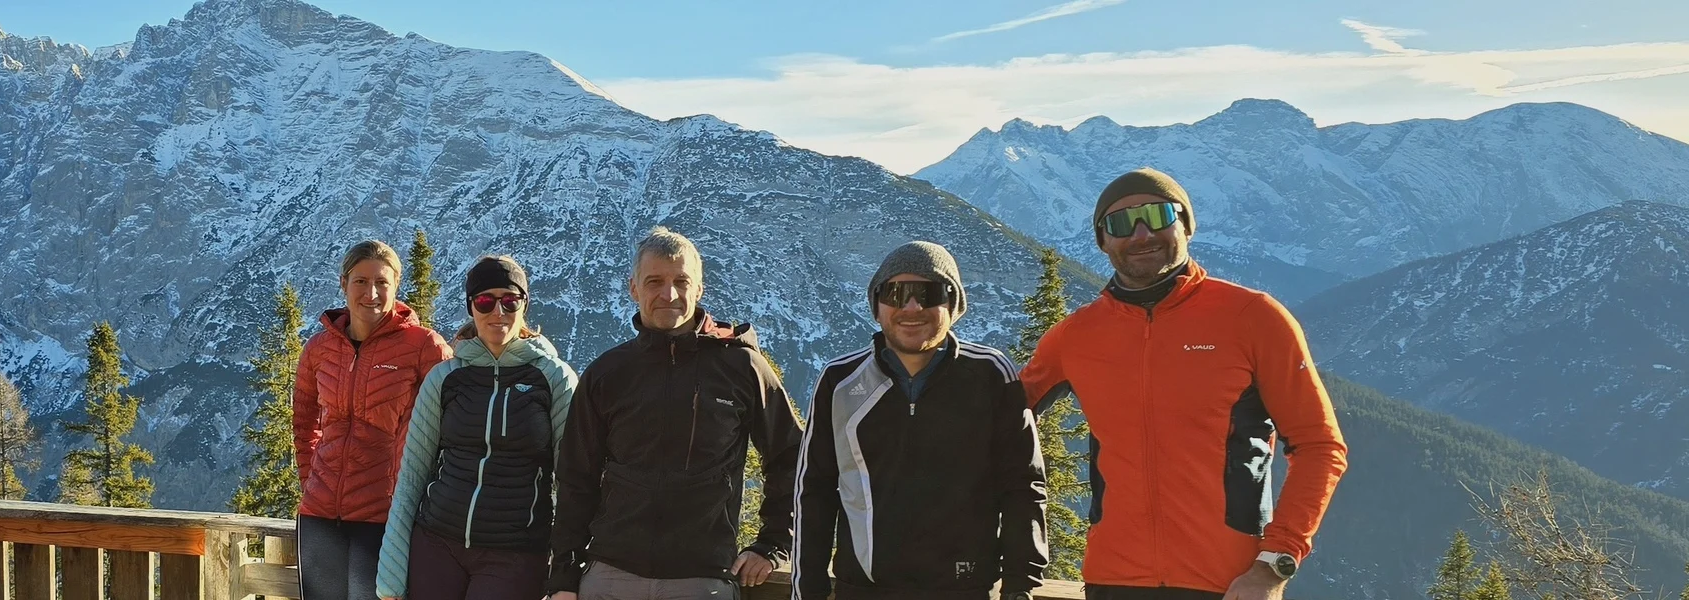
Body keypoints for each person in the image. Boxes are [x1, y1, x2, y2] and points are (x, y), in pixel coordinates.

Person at [1020, 168, 1349, 600]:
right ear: (1103, 241)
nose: (1140, 234)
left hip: (1230, 584)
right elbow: (990, 418)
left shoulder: (1253, 317)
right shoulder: (1075, 336)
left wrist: (1275, 564)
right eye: (1120, 223)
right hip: (1113, 581)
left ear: (1186, 225)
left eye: (1157, 216)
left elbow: (1320, 446)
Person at [547, 226, 805, 600]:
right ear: (633, 288)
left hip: (702, 578)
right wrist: (564, 580)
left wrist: (773, 543)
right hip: (611, 575)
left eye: (681, 281)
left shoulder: (741, 366)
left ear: (699, 288)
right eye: (654, 281)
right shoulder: (607, 373)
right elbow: (575, 478)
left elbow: (792, 456)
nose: (668, 294)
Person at [793, 241, 1049, 600]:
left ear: (953, 303)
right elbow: (814, 492)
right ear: (877, 306)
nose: (911, 307)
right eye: (896, 293)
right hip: (862, 591)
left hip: (965, 590)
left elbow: (1023, 487)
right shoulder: (840, 381)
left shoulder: (991, 375)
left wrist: (1020, 590)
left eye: (928, 293)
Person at [377, 256, 578, 600]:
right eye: (485, 301)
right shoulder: (445, 378)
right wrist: (391, 573)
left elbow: (574, 482)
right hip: (437, 542)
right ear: (471, 307)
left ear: (523, 305)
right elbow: (412, 474)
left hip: (515, 551)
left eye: (509, 300)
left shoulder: (554, 379)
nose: (497, 311)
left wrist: (565, 575)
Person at [295, 240, 454, 600]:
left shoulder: (424, 347)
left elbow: (450, 427)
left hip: (386, 518)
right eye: (361, 282)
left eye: (382, 283)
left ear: (396, 286)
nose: (372, 293)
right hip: (319, 516)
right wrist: (311, 481)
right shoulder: (318, 349)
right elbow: (304, 422)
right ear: (343, 284)